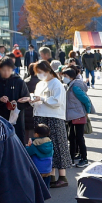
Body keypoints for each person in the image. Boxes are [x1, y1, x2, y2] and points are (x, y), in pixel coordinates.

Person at [31, 60, 71, 188]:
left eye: (41, 72)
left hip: (54, 117)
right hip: (41, 116)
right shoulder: (40, 84)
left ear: (48, 70)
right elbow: (37, 98)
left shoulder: (56, 83)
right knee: (46, 146)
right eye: (38, 73)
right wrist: (31, 99)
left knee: (58, 145)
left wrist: (41, 98)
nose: (39, 75)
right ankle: (51, 175)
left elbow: (56, 102)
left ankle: (62, 176)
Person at [0, 56, 32, 143]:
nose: (6, 72)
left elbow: (27, 101)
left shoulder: (19, 82)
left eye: (9, 70)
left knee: (17, 146)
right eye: (4, 70)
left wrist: (17, 104)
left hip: (17, 122)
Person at [61, 67, 92, 169]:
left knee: (79, 138)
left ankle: (84, 159)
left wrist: (87, 112)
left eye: (65, 76)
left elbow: (86, 100)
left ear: (71, 77)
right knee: (72, 137)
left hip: (78, 114)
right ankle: (71, 158)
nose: (63, 78)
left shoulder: (75, 87)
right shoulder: (69, 85)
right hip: (71, 115)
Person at [26, 123, 54, 188]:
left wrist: (28, 146)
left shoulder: (35, 145)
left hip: (37, 170)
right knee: (46, 186)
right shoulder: (50, 143)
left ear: (36, 134)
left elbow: (27, 152)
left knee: (37, 187)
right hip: (48, 170)